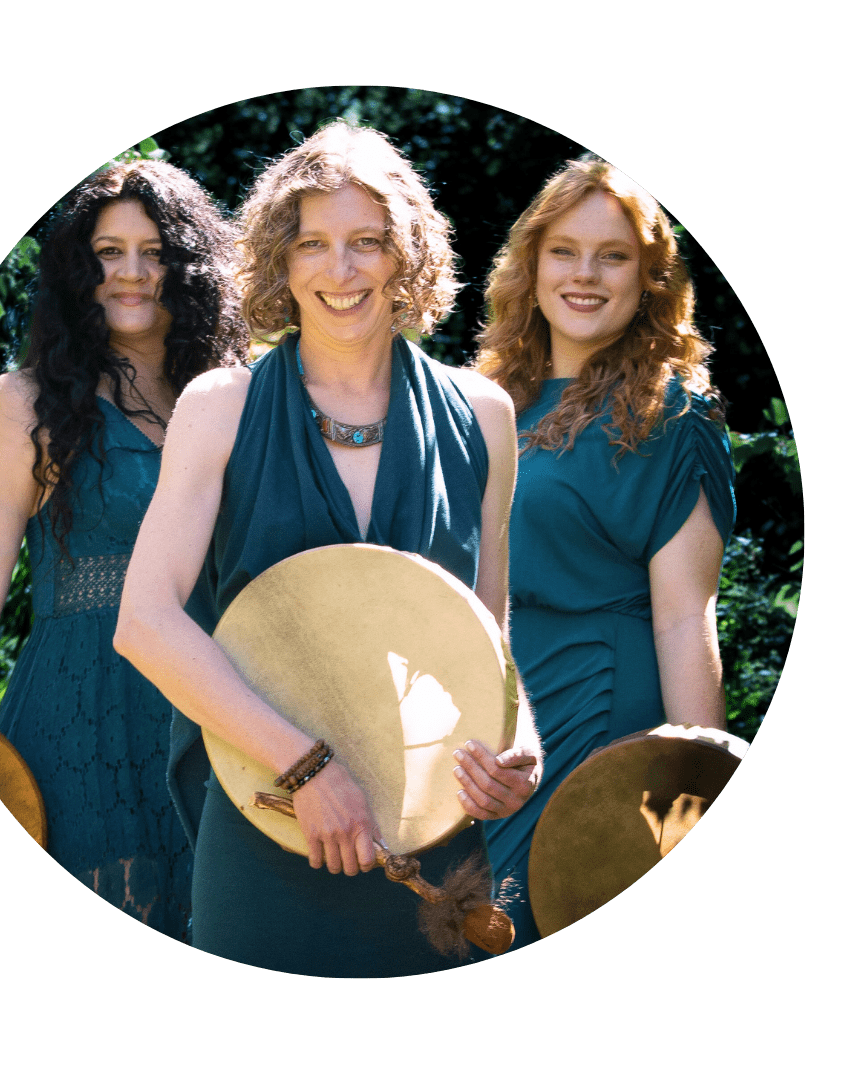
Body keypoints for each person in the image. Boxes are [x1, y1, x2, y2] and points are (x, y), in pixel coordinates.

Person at [115, 122, 542, 977]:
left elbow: (484, 632)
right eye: (313, 243)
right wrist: (309, 770)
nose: (340, 271)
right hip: (268, 812)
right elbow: (146, 623)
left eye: (367, 243)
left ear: (406, 257)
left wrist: (519, 745)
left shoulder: (484, 415)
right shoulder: (220, 404)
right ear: (281, 258)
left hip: (432, 837)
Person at [0, 160, 247, 943]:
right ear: (79, 267)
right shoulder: (24, 404)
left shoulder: (243, 396)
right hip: (81, 713)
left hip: (225, 709)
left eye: (155, 252)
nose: (132, 274)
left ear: (191, 268)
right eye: (109, 252)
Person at [473, 154, 737, 948]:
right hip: (488, 736)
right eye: (564, 251)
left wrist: (696, 801)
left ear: (649, 278)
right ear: (531, 263)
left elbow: (685, 620)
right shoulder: (485, 397)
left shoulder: (674, 418)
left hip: (599, 728)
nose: (585, 274)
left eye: (613, 255)